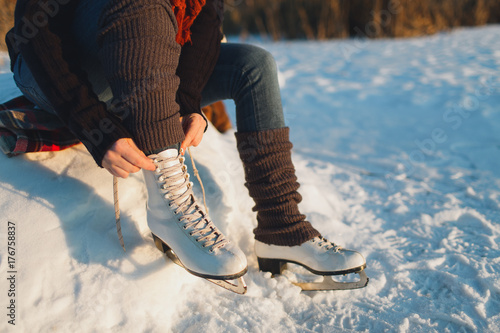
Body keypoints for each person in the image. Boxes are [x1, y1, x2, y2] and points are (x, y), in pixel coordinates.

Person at [6, 0, 367, 292]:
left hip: (150, 65)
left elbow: (207, 26)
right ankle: (169, 213)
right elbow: (35, 29)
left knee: (254, 66)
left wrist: (188, 102)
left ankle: (282, 227)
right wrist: (93, 125)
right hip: (56, 69)